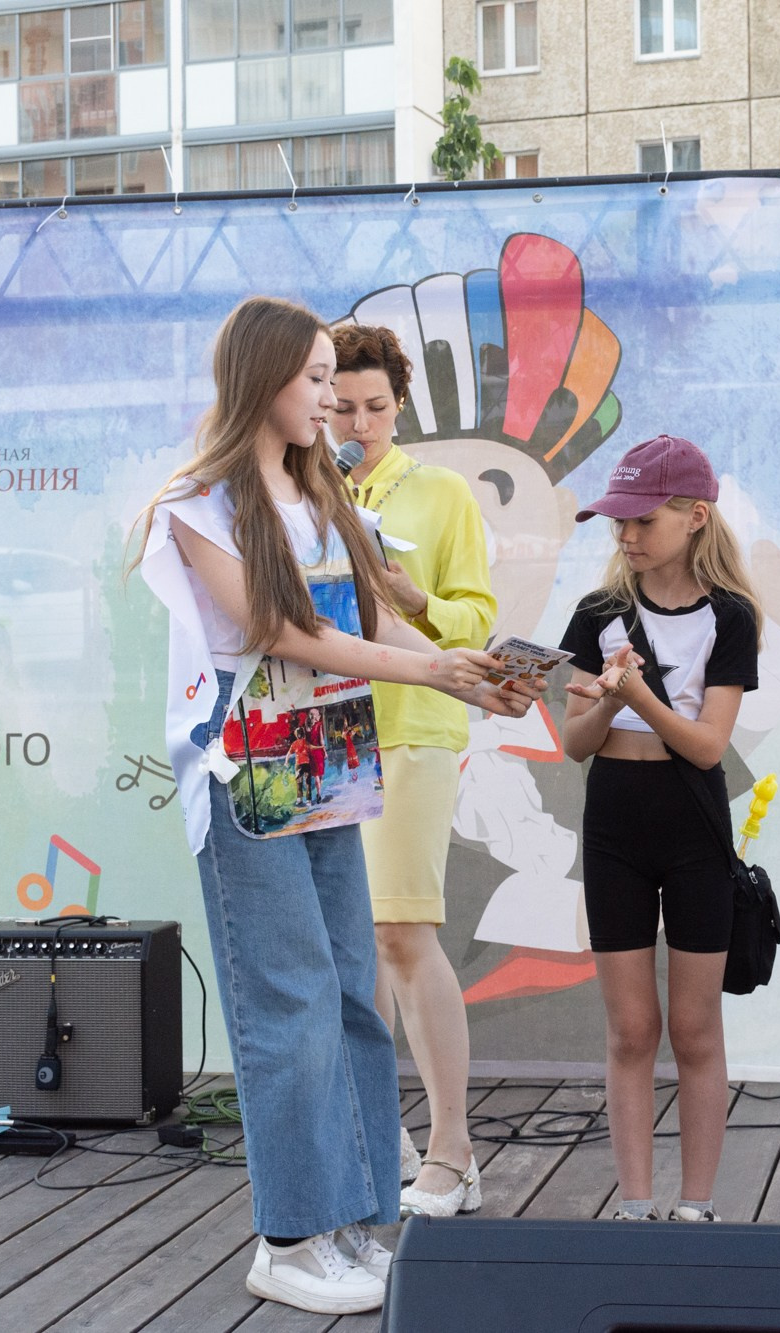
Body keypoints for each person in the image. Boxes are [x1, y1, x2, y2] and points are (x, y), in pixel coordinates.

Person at [133, 296, 537, 1315]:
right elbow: (281, 627)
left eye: (337, 382)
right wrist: (438, 671)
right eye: (314, 379)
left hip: (329, 760)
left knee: (352, 991)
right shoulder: (201, 500)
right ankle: (291, 1234)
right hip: (246, 768)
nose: (332, 402)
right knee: (290, 1004)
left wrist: (473, 669)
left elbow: (387, 609)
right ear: (261, 378)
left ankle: (353, 1217)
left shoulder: (322, 492)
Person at [557, 434, 761, 1225]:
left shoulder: (731, 617)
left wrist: (638, 698)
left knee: (693, 1024)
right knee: (632, 1027)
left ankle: (698, 1205)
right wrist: (608, 699)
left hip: (694, 825)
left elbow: (709, 746)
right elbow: (576, 743)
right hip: (614, 822)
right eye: (618, 522)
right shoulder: (599, 613)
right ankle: (636, 1203)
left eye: (644, 520)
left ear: (695, 517)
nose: (628, 537)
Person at [331, 322, 500, 1220]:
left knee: (402, 933)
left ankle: (454, 1149)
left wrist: (414, 597)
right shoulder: (297, 489)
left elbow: (475, 621)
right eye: (343, 406)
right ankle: (375, 1136)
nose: (360, 422)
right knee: (350, 950)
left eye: (376, 406)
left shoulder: (439, 493)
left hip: (410, 726)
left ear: (399, 402)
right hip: (315, 729)